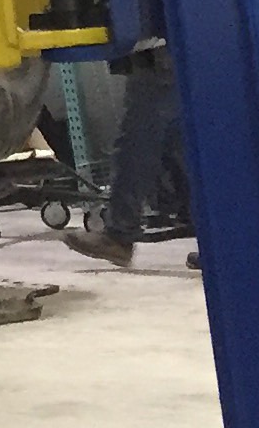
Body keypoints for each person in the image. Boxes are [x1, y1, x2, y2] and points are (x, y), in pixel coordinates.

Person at [65, 47, 194, 267]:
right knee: (177, 144)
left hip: (160, 54)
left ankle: (119, 234)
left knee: (137, 140)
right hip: (173, 54)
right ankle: (221, 242)